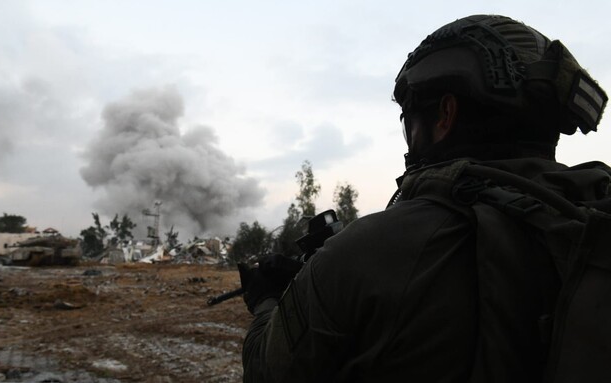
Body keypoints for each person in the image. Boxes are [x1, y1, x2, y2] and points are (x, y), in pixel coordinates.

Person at [239, 14, 609, 382]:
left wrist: (267, 299)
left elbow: (267, 372)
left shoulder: (364, 254)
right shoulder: (589, 222)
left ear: (445, 114)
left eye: (407, 118)